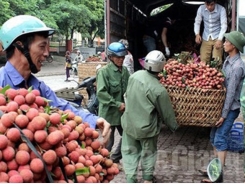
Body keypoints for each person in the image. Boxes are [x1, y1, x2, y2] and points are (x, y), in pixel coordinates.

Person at [0, 15, 111, 145]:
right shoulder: (2, 81)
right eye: (42, 46)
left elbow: (61, 106)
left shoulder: (38, 87)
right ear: (20, 46)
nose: (47, 53)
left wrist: (93, 120)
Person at [121, 50, 179, 183]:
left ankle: (130, 179)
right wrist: (174, 127)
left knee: (129, 152)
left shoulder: (134, 76)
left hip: (129, 123)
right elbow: (167, 113)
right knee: (148, 153)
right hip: (147, 128)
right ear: (162, 66)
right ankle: (147, 178)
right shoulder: (159, 89)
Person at [200, 31, 245, 183]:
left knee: (220, 139)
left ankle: (218, 176)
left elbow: (231, 93)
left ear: (233, 46)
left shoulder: (238, 66)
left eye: (226, 41)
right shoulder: (227, 61)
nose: (223, 43)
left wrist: (223, 115)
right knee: (213, 137)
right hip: (223, 107)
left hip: (230, 109)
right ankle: (213, 169)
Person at [96, 42, 130, 164]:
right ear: (111, 57)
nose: (121, 59)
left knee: (129, 136)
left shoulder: (125, 71)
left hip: (122, 115)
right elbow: (101, 93)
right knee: (108, 144)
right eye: (118, 57)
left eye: (123, 57)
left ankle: (115, 159)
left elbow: (129, 89)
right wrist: (117, 104)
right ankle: (103, 165)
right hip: (109, 115)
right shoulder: (104, 72)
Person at [194, 0, 227, 66]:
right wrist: (197, 34)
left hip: (217, 36)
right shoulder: (201, 8)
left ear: (215, 2)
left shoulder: (221, 9)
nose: (209, 7)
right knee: (203, 61)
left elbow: (224, 25)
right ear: (205, 3)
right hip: (206, 37)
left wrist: (220, 39)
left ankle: (217, 74)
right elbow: (197, 22)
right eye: (207, 5)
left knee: (217, 61)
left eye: (211, 5)